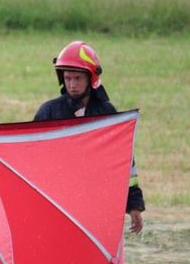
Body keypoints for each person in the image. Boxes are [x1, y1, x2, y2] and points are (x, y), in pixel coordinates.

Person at [34, 40, 145, 233]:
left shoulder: (106, 114)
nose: (72, 85)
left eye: (77, 78)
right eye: (67, 78)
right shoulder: (49, 112)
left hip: (96, 206)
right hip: (58, 205)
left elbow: (125, 163)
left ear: (91, 79)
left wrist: (134, 204)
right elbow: (31, 161)